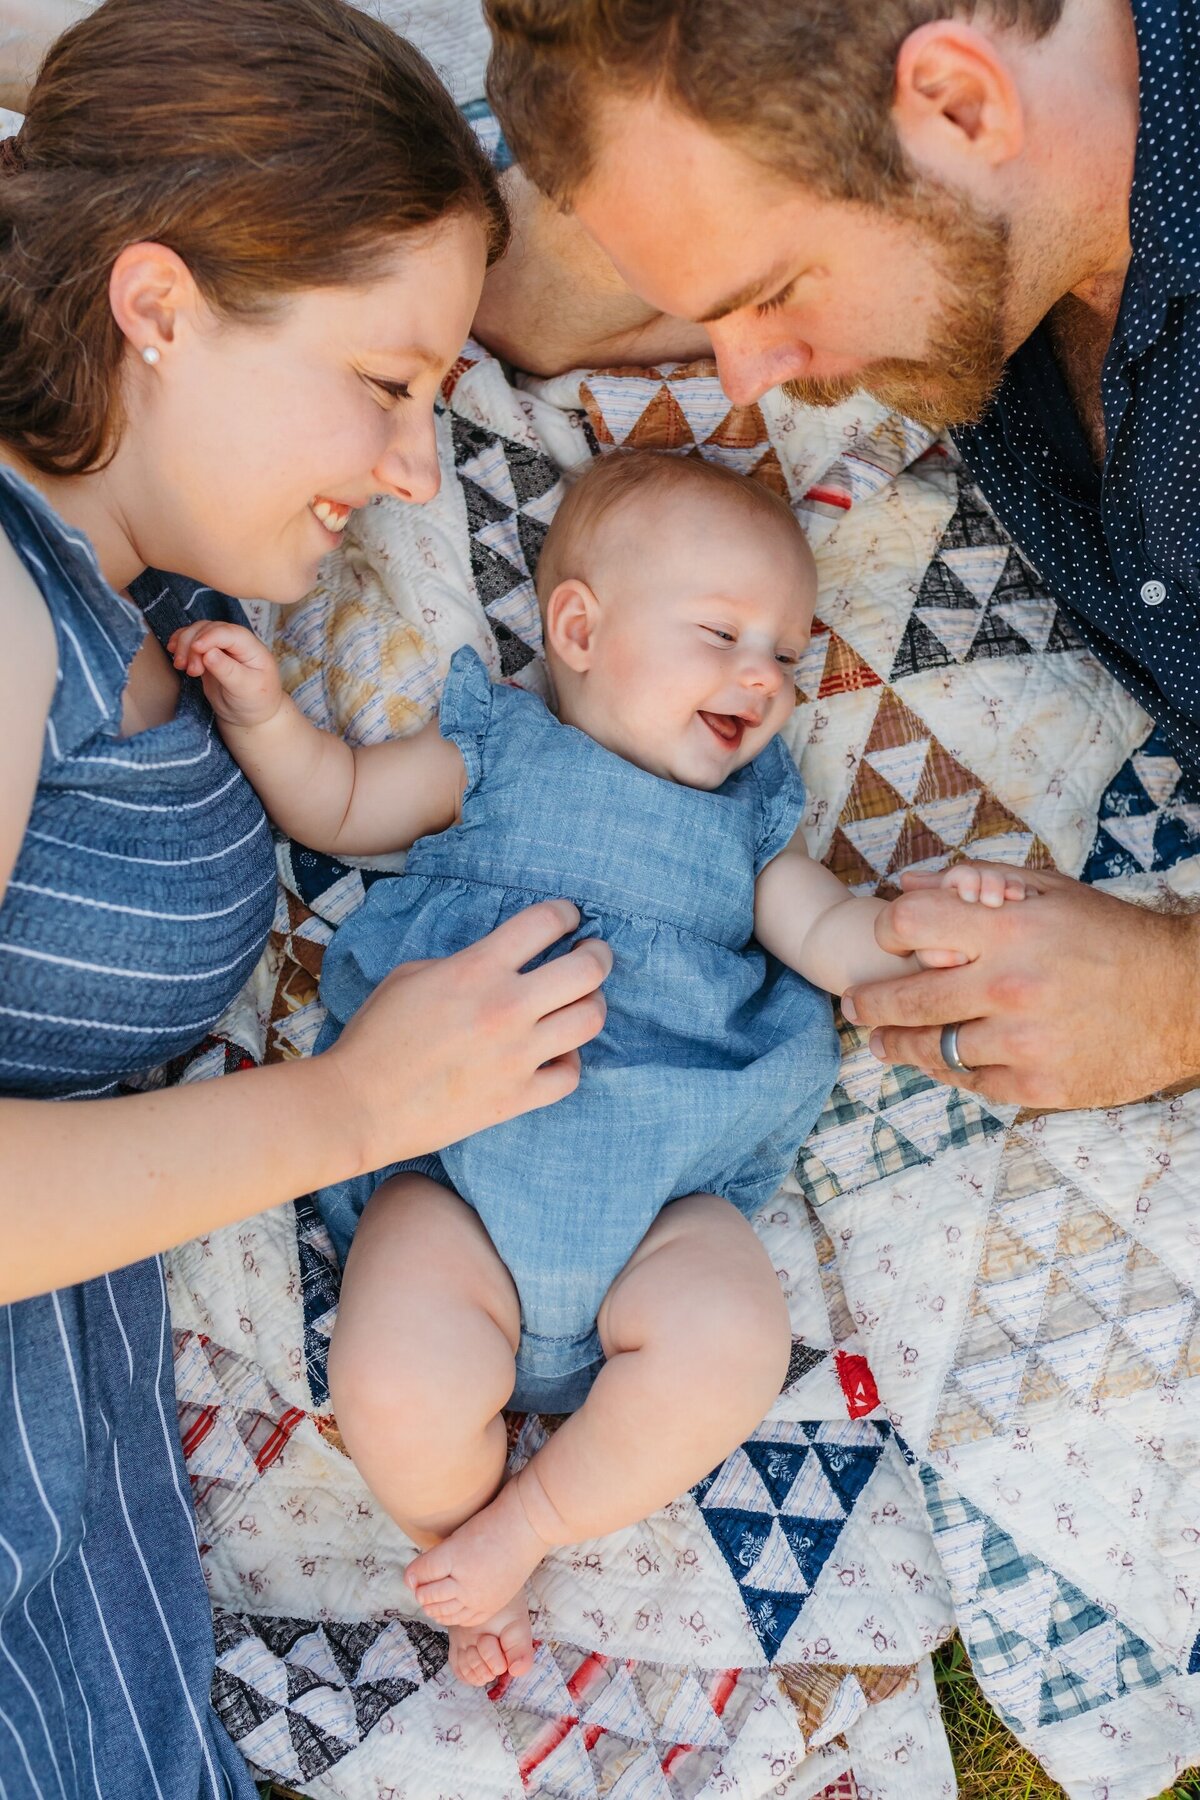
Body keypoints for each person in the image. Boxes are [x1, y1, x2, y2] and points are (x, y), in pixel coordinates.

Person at [0, 0, 611, 1791]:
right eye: (386, 383)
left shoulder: (147, 602)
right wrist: (359, 1105)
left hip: (79, 1581)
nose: (421, 466)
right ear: (160, 304)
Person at [169, 448, 1028, 1686]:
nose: (763, 675)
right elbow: (344, 803)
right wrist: (265, 719)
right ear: (577, 626)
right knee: (395, 1374)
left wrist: (923, 924)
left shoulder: (750, 822)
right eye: (724, 633)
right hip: (452, 1185)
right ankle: (452, 1539)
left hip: (660, 1213)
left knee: (734, 1332)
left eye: (788, 655)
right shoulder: (498, 753)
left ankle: (531, 1523)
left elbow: (838, 941)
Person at [471, 0, 1200, 1116]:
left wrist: (1171, 1002)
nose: (748, 375)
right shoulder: (985, 203)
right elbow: (518, 293)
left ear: (963, 103)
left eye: (772, 292)